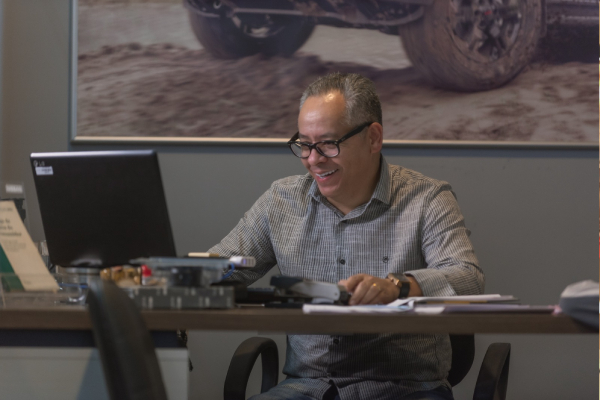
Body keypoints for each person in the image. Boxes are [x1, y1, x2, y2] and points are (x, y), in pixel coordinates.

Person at [209, 72, 484, 400]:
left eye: (328, 143)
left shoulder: (426, 198)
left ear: (373, 138)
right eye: (305, 144)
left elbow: (468, 278)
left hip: (403, 387)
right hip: (306, 387)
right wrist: (165, 276)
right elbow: (226, 267)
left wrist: (396, 286)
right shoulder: (281, 201)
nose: (313, 159)